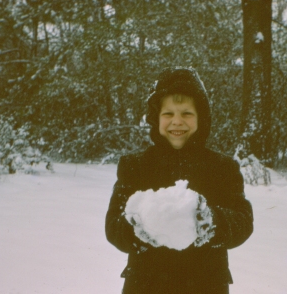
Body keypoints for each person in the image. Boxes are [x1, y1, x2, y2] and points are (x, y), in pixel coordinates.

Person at [105, 67, 253, 294]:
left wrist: (213, 222)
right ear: (156, 118)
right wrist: (138, 227)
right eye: (168, 114)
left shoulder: (222, 168)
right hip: (146, 285)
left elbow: (243, 221)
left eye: (186, 113)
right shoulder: (135, 166)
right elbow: (113, 226)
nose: (177, 122)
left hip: (206, 285)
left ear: (201, 117)